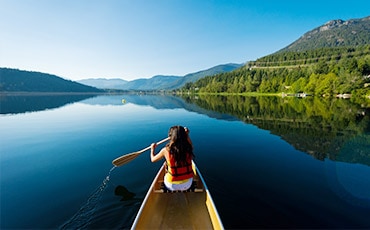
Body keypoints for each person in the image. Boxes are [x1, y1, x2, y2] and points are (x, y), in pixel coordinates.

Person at [150, 125, 195, 191]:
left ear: (170, 137)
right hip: (188, 184)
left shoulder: (166, 150)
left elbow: (153, 159)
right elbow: (189, 142)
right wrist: (187, 135)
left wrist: (152, 149)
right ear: (184, 136)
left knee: (166, 164)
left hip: (171, 186)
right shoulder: (189, 148)